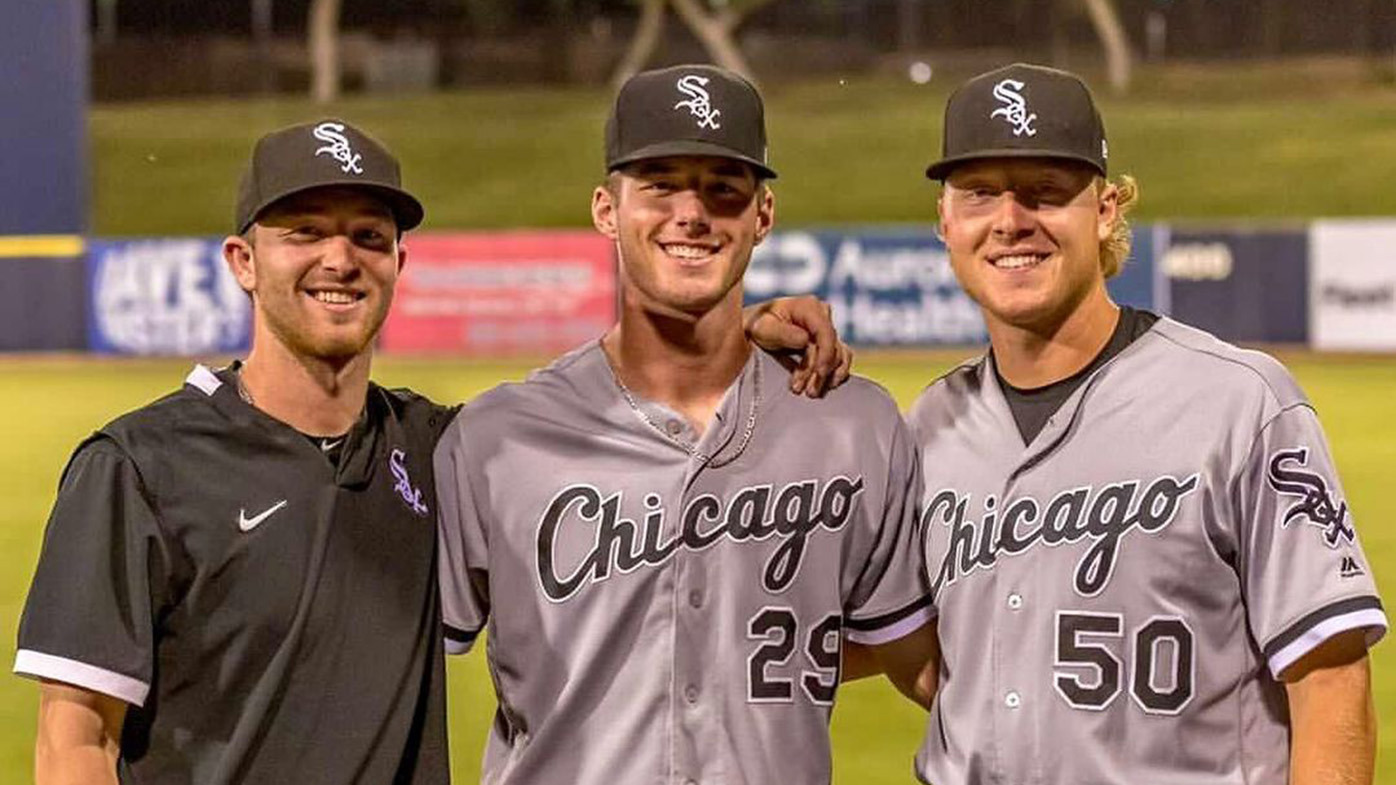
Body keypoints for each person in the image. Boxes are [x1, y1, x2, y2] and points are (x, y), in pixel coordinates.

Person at [13, 117, 847, 785]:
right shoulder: (139, 466)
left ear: (398, 263)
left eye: (367, 236)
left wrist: (735, 331)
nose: (339, 259)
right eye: (305, 231)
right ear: (243, 262)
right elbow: (74, 739)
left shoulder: (442, 451)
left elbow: (594, 408)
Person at [433, 64, 937, 785]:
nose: (691, 212)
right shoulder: (496, 439)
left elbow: (913, 656)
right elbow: (382, 670)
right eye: (660, 184)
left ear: (763, 214)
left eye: (722, 188)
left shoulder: (854, 427)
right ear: (607, 209)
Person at [908, 62, 1386, 784]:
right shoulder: (927, 428)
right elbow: (877, 638)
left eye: (1045, 191)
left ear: (1105, 210)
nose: (1010, 220)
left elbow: (1331, 680)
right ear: (945, 221)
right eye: (980, 192)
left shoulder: (1240, 403)